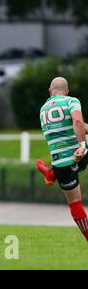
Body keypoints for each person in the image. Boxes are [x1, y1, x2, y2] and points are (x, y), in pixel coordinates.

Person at [36, 77, 88, 242]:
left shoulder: (43, 108)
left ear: (50, 92)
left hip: (61, 163)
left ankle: (51, 173)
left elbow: (77, 126)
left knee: (75, 203)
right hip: (79, 153)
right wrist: (82, 145)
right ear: (67, 91)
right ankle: (51, 173)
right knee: (76, 200)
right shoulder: (71, 101)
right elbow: (77, 121)